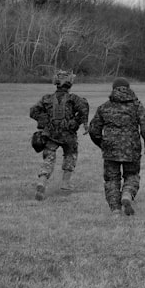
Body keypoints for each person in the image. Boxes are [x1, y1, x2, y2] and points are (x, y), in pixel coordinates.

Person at [88, 78, 145, 215]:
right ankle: (127, 194)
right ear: (128, 88)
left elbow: (93, 130)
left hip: (110, 149)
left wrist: (102, 144)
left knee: (111, 179)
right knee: (132, 175)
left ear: (113, 89)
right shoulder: (137, 106)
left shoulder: (104, 107)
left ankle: (115, 209)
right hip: (132, 149)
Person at [29, 70, 89, 200]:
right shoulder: (74, 99)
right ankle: (66, 183)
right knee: (71, 155)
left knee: (49, 158)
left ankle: (42, 182)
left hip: (51, 134)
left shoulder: (47, 98)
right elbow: (84, 107)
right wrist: (80, 122)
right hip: (69, 135)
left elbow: (33, 111)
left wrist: (46, 122)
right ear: (70, 84)